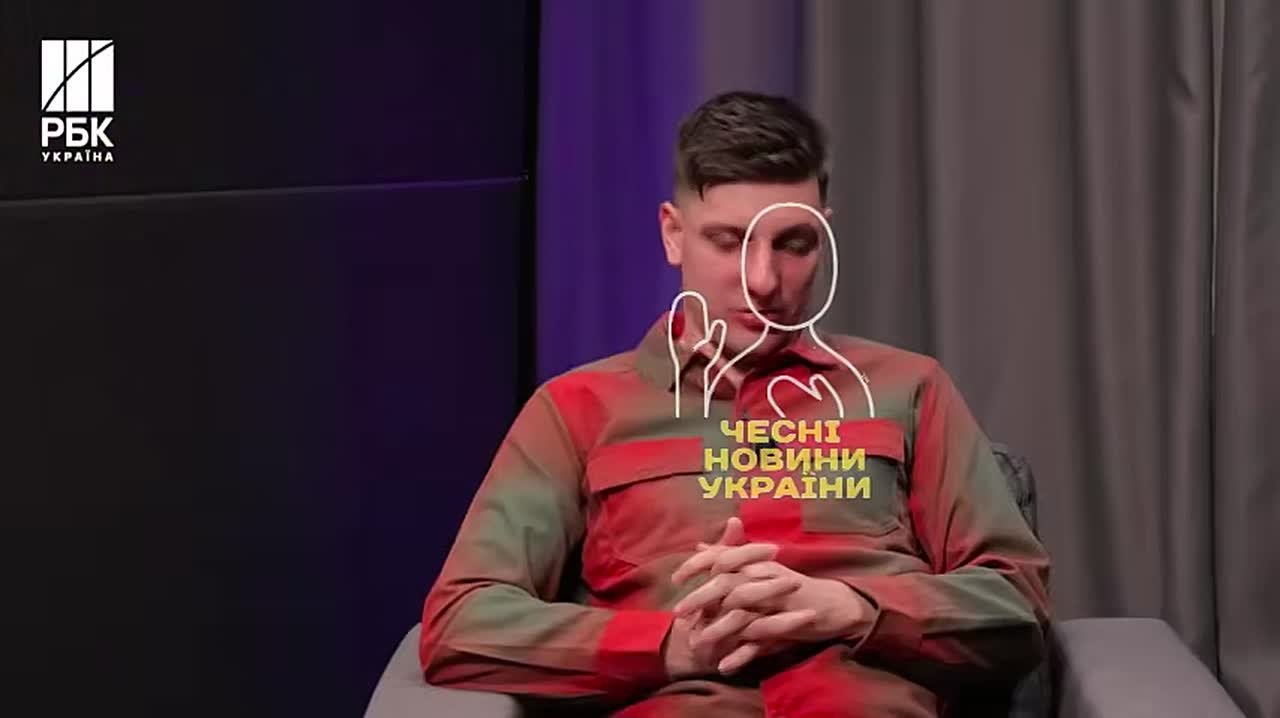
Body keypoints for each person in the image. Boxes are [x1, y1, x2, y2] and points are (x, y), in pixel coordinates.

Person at [419, 90, 1050, 717]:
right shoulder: (576, 409)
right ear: (673, 235)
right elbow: (463, 620)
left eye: (793, 244)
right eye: (728, 241)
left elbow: (1016, 604)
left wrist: (853, 608)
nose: (762, 281)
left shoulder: (909, 389)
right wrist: (670, 646)